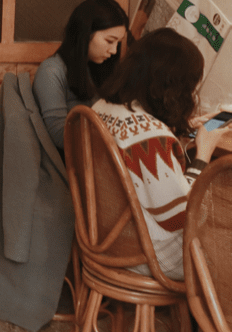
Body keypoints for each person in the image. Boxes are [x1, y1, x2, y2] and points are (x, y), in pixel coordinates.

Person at [93, 28, 232, 280]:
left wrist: (184, 127)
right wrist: (203, 153)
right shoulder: (152, 136)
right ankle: (215, 317)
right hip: (146, 254)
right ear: (170, 86)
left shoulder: (102, 108)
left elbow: (139, 143)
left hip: (104, 237)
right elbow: (179, 218)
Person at [33, 0, 129, 150]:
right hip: (77, 164)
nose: (114, 50)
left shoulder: (98, 65)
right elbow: (59, 135)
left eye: (118, 42)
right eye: (110, 41)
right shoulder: (51, 71)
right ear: (85, 34)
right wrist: (112, 138)